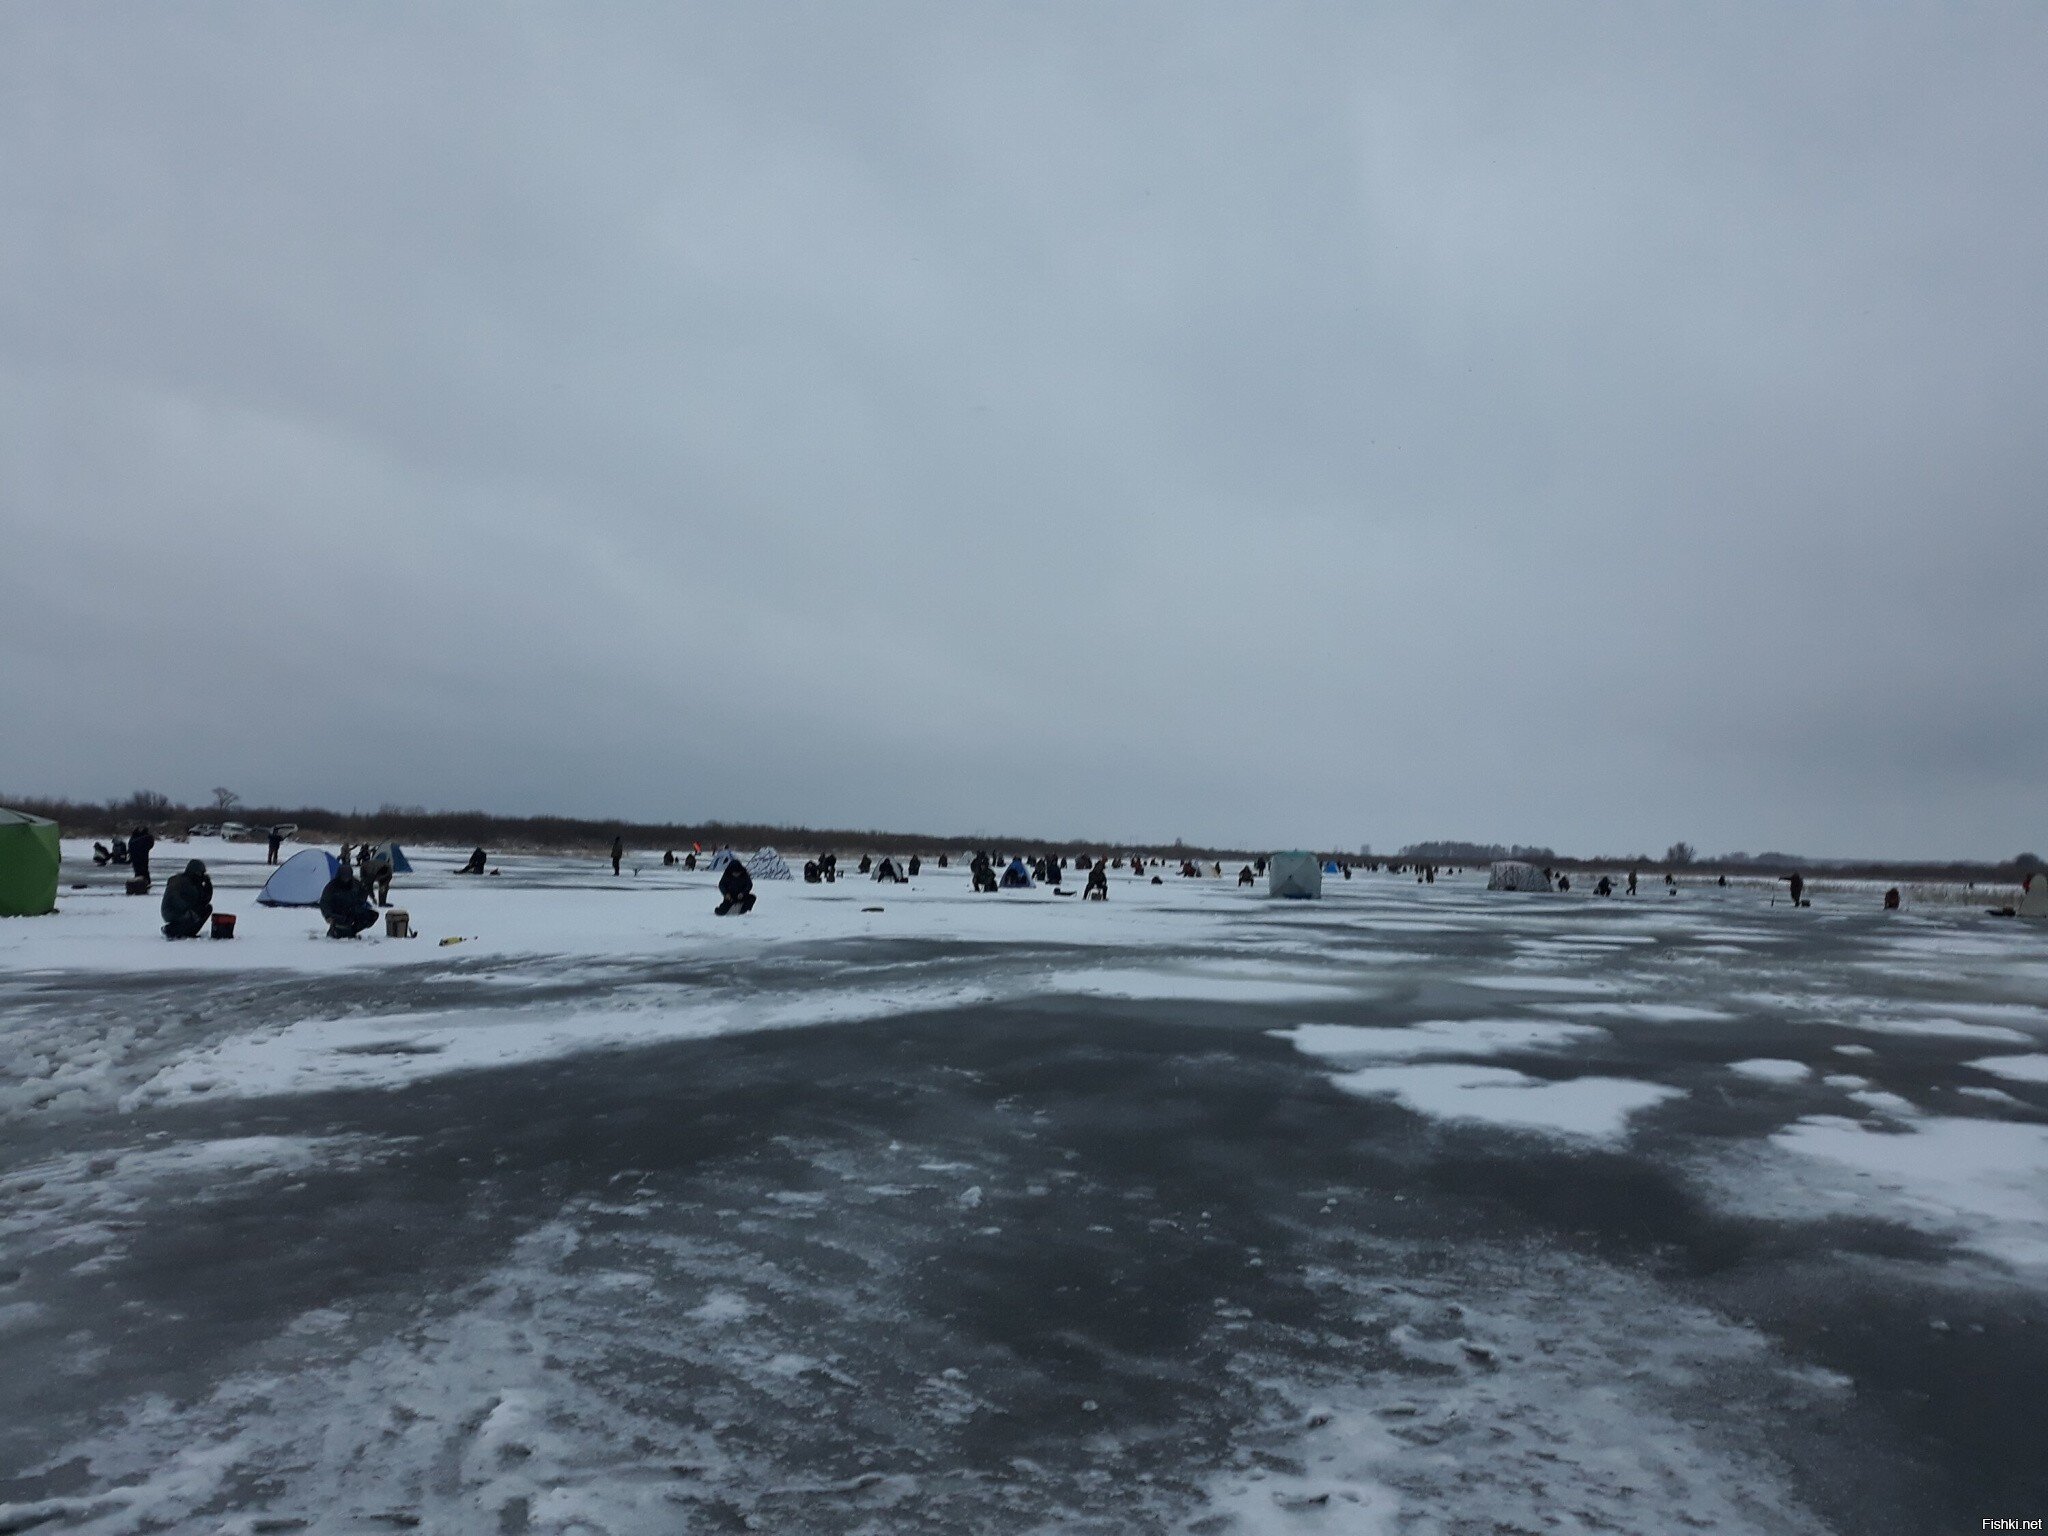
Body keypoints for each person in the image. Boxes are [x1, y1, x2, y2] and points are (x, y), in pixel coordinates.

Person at [319, 864, 378, 939]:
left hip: (352, 911)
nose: (346, 878)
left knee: (372, 915)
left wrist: (360, 902)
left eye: (348, 876)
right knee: (343, 925)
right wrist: (328, 915)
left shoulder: (355, 883)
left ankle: (352, 931)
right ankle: (335, 931)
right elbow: (324, 902)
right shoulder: (331, 887)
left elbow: (362, 894)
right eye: (344, 876)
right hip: (338, 914)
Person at [160, 859, 213, 939]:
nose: (201, 875)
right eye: (200, 873)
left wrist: (208, 885)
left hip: (183, 909)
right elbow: (174, 898)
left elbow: (203, 900)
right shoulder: (180, 881)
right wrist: (187, 910)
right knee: (193, 914)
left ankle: (188, 931)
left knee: (205, 909)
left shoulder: (194, 882)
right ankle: (172, 930)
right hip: (171, 910)